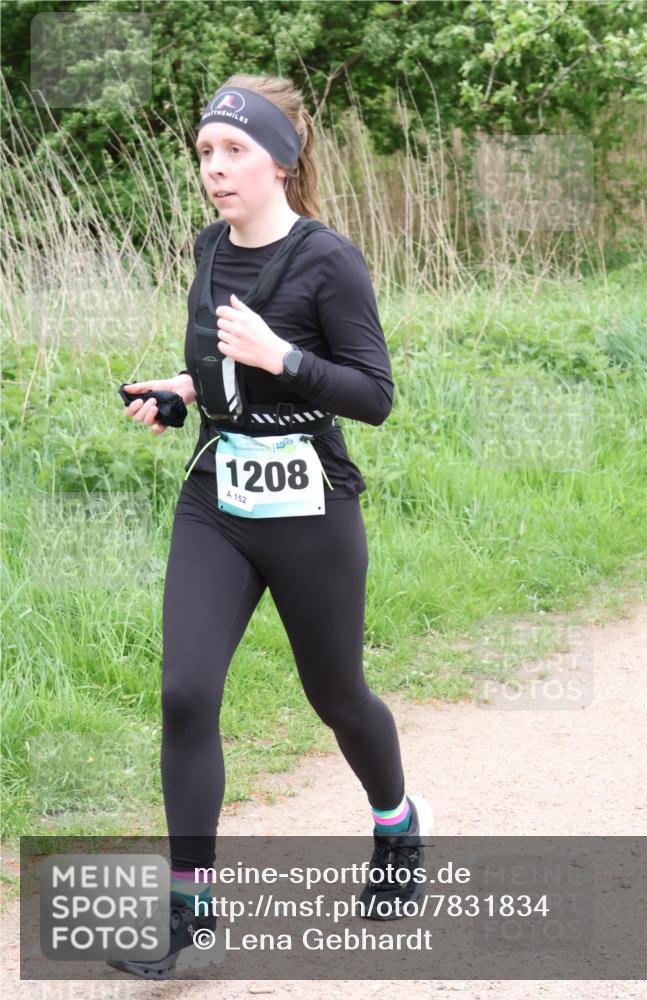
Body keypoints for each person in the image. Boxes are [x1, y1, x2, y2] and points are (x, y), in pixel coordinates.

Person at [110, 74, 433, 980]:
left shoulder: (330, 259)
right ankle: (189, 910)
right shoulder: (209, 250)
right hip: (218, 496)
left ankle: (396, 823)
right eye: (206, 153)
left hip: (310, 506)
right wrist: (180, 397)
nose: (214, 168)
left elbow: (372, 395)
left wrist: (283, 355)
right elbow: (219, 375)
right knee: (184, 692)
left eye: (234, 150)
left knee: (336, 697)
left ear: (281, 162)